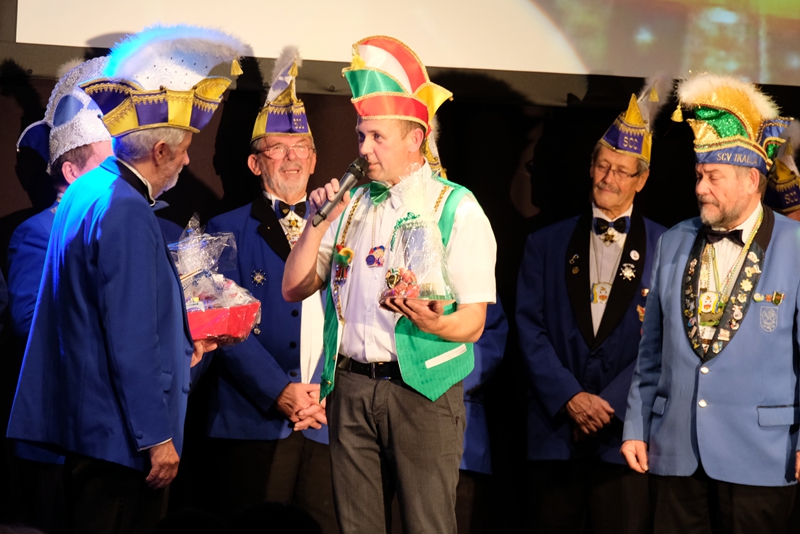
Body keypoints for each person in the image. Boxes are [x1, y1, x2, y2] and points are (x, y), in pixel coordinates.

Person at [6, 25, 248, 533]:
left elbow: (91, 317)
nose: (187, 159)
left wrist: (183, 346)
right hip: (120, 439)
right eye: (184, 149)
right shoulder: (128, 209)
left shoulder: (87, 190)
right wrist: (156, 438)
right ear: (159, 151)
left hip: (87, 431)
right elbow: (129, 336)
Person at [282, 35, 497, 534]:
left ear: (414, 138)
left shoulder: (457, 207)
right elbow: (293, 288)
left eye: (377, 137)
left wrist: (433, 323)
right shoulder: (351, 205)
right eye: (361, 135)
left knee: (427, 525)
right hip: (351, 388)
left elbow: (473, 323)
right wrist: (316, 222)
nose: (364, 149)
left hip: (421, 391)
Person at [622, 73, 800, 533]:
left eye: (713, 177)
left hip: (762, 455)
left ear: (751, 180)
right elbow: (650, 351)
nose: (701, 188)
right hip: (676, 451)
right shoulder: (674, 240)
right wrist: (636, 426)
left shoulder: (796, 246)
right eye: (699, 176)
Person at [517, 76, 669, 533]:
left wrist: (611, 403)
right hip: (555, 430)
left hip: (626, 435)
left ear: (642, 179)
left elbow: (665, 340)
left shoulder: (668, 247)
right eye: (602, 166)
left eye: (622, 171)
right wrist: (570, 397)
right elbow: (529, 328)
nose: (609, 178)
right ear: (590, 168)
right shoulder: (544, 243)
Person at [204, 46, 337, 532]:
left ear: (315, 158)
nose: (291, 157)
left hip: (326, 420)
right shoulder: (222, 230)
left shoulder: (347, 229)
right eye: (277, 148)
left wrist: (326, 392)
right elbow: (220, 326)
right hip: (251, 421)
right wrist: (278, 390)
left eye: (300, 147)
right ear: (255, 163)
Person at [6, 55, 113, 534]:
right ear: (72, 172)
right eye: (107, 163)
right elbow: (30, 322)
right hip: (56, 437)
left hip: (110, 437)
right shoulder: (36, 234)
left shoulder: (124, 230)